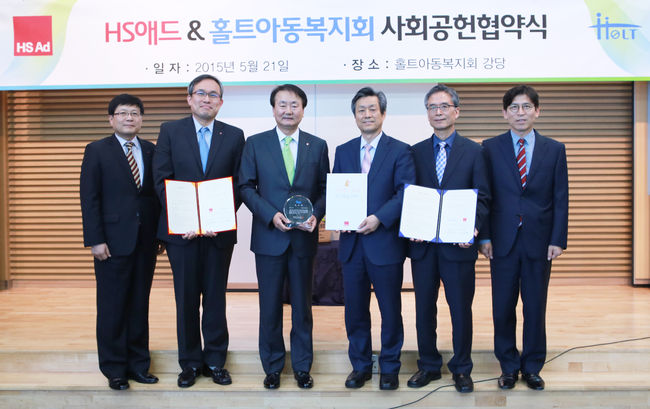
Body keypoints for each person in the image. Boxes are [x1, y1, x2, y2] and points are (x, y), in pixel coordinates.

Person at [152, 74, 245, 388]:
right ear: (189, 98)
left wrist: (218, 218)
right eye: (201, 93)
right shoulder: (170, 131)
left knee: (216, 298)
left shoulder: (234, 135)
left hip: (219, 235)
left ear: (221, 101)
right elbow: (161, 179)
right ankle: (190, 363)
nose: (207, 99)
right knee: (186, 299)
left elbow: (239, 183)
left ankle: (216, 361)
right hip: (182, 235)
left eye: (213, 95)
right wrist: (185, 219)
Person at [238, 84, 329, 390]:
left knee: (303, 307)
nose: (288, 110)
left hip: (303, 239)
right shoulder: (255, 144)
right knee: (270, 306)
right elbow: (246, 187)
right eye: (283, 104)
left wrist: (316, 214)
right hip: (269, 238)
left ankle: (302, 366)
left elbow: (325, 189)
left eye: (294, 105)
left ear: (303, 109)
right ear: (273, 108)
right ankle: (273, 366)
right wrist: (270, 215)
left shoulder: (317, 146)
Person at [479, 85, 568, 391]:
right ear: (505, 113)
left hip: (539, 241)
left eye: (527, 107)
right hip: (501, 241)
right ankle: (508, 366)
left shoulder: (554, 149)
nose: (521, 113)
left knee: (534, 307)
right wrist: (484, 236)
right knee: (502, 307)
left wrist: (558, 239)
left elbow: (561, 198)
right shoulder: (489, 148)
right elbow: (485, 196)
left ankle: (532, 367)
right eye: (514, 107)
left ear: (537, 111)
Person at [407, 84, 490, 393]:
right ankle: (428, 365)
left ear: (456, 111)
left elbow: (483, 196)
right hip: (424, 247)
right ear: (427, 113)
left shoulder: (475, 151)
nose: (438, 112)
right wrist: (411, 225)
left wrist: (474, 228)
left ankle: (462, 368)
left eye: (444, 106)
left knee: (460, 310)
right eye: (432, 107)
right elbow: (408, 195)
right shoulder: (414, 152)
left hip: (459, 246)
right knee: (424, 310)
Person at [333, 87, 415, 390]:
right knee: (355, 310)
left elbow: (405, 191)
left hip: (385, 243)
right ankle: (361, 366)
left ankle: (390, 367)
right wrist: (337, 217)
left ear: (383, 113)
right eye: (361, 110)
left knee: (390, 310)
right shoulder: (343, 150)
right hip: (352, 246)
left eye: (372, 109)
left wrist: (379, 217)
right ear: (354, 116)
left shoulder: (400, 150)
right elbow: (337, 190)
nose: (366, 115)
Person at [80, 93, 162, 390]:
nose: (130, 118)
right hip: (112, 242)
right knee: (112, 305)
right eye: (123, 113)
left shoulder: (151, 150)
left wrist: (161, 234)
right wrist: (95, 240)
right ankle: (114, 369)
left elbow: (157, 196)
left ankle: (139, 365)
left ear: (141, 119)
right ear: (111, 119)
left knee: (140, 303)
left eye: (135, 113)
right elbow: (89, 198)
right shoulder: (97, 150)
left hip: (146, 240)